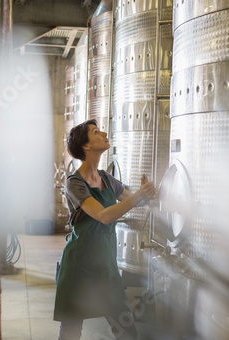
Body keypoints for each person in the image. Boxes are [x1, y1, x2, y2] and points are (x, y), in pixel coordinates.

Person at [54, 119, 156, 340]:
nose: (104, 133)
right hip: (78, 266)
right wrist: (139, 196)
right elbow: (103, 215)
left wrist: (149, 195)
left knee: (126, 328)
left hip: (105, 266)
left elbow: (135, 201)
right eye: (96, 132)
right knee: (71, 331)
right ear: (86, 146)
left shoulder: (107, 179)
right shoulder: (74, 183)